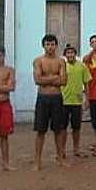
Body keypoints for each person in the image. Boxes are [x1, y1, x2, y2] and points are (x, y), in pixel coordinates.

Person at [32, 34, 67, 170]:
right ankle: (37, 161)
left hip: (57, 98)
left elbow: (63, 81)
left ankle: (60, 159)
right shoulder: (38, 61)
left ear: (56, 45)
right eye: (47, 44)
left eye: (52, 44)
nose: (50, 47)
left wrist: (46, 78)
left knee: (58, 130)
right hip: (43, 98)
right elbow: (37, 80)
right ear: (43, 46)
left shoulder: (61, 61)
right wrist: (54, 78)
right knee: (40, 131)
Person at [61, 44, 92, 158]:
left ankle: (76, 149)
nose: (70, 55)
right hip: (63, 101)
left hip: (77, 102)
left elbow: (87, 83)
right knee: (62, 128)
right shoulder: (62, 66)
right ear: (65, 54)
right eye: (68, 53)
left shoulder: (82, 66)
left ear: (75, 54)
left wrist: (87, 99)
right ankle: (62, 150)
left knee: (76, 128)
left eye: (72, 52)